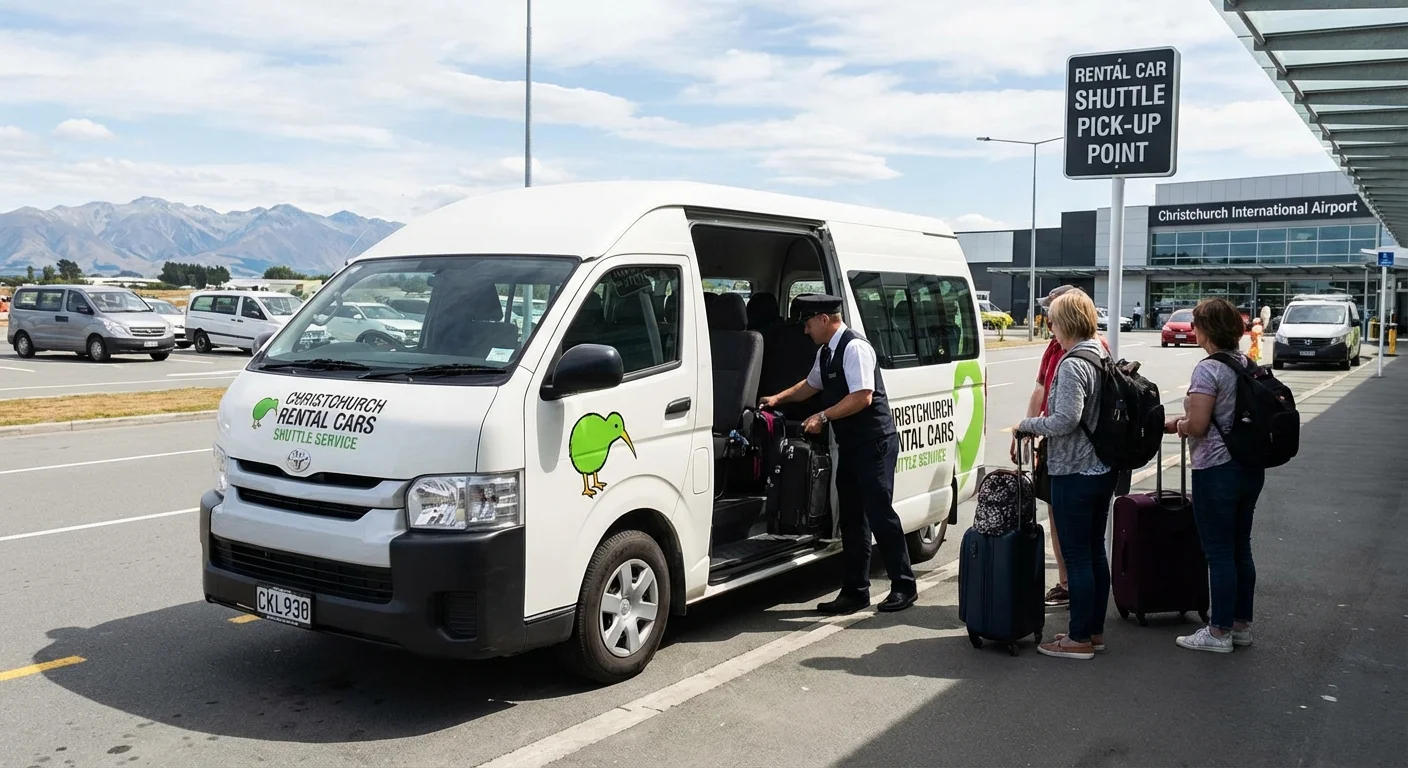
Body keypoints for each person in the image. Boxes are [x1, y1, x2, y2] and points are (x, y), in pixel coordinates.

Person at [760, 294, 916, 615]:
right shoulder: (826, 352)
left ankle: (904, 585)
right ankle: (856, 591)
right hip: (851, 445)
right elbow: (810, 386)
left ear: (824, 318)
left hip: (874, 443)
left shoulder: (854, 348)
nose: (805, 330)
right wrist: (777, 399)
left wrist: (823, 417)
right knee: (852, 519)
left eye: (808, 323)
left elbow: (862, 397)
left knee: (879, 514)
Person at [1014, 289, 1117, 660]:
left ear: (1067, 322)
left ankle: (1078, 638)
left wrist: (1026, 424)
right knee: (1092, 553)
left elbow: (1065, 419)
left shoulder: (1073, 364)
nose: (1049, 325)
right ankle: (1093, 631)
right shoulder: (1100, 353)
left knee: (1077, 557)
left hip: (1075, 470)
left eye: (1053, 319)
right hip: (1100, 468)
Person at [1165, 298, 1264, 653]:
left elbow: (1199, 425)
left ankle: (1218, 631)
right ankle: (1240, 625)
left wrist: (1180, 423)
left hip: (1216, 470)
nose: (1193, 331)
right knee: (1241, 548)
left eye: (1196, 325)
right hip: (1249, 468)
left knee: (1219, 552)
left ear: (1206, 329)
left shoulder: (1208, 370)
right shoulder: (1246, 363)